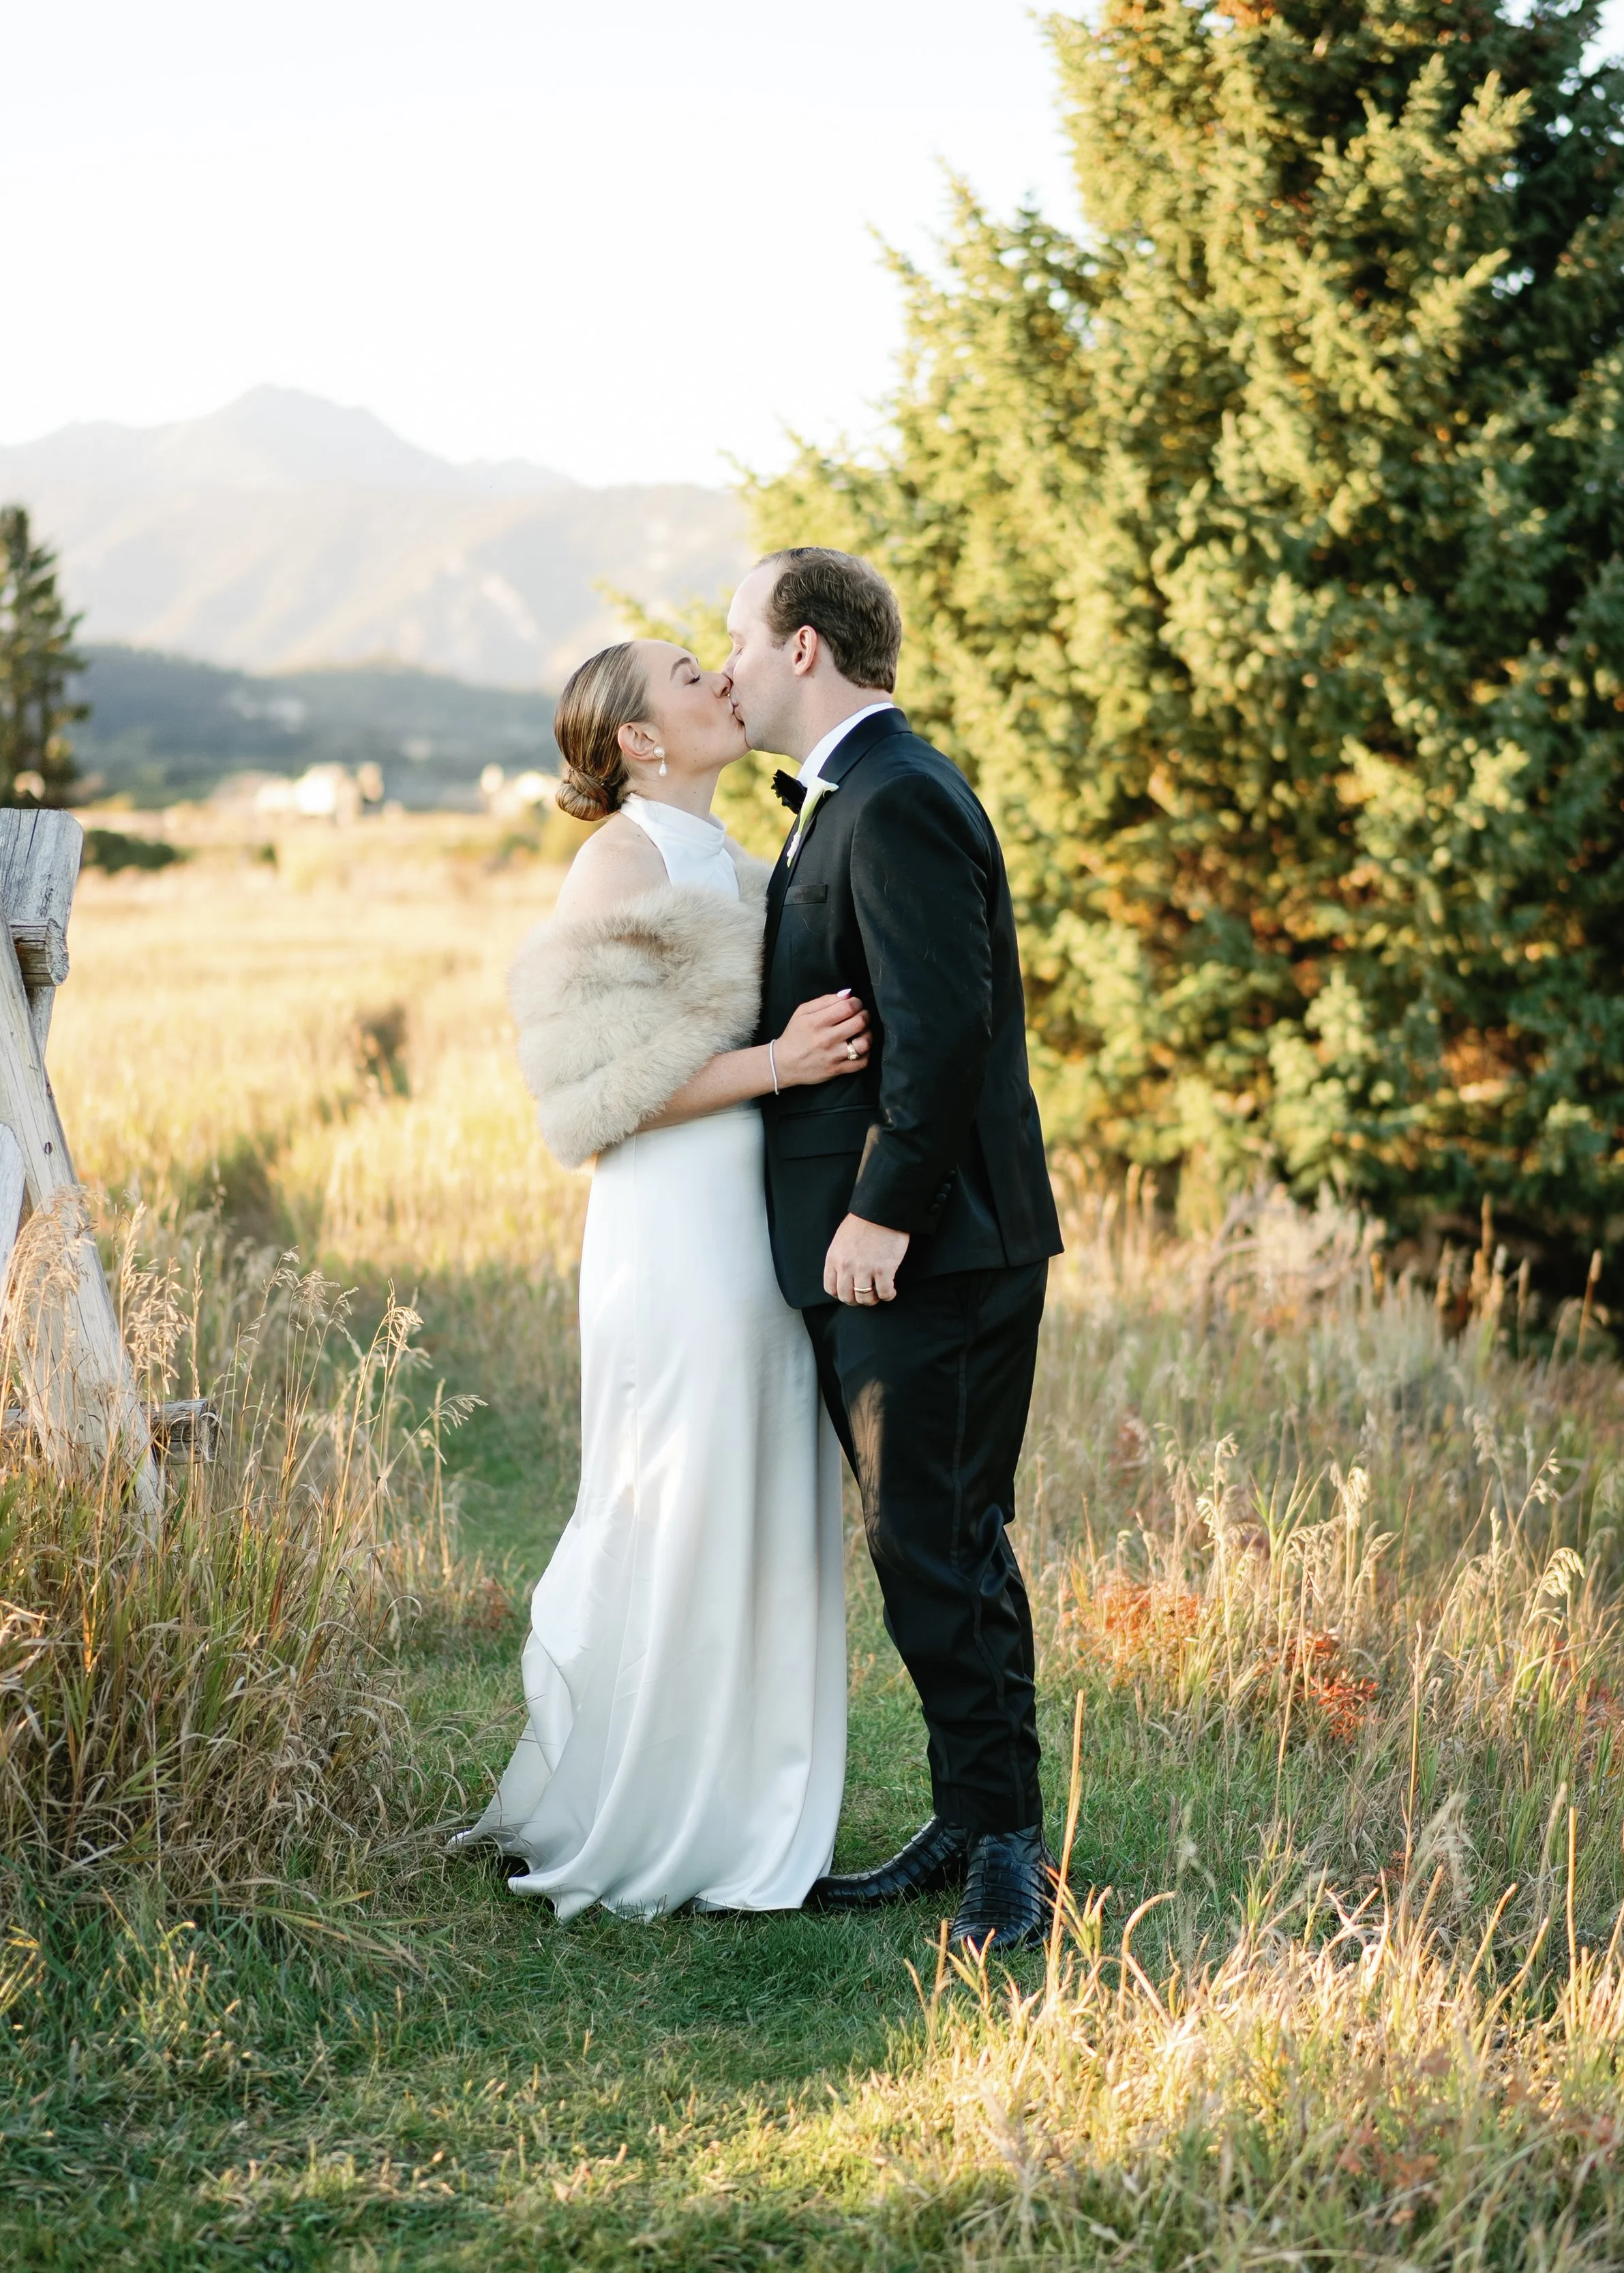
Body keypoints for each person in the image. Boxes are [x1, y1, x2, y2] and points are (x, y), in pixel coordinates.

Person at [458, 638, 864, 1918]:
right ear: (638, 737)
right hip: (674, 1224)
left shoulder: (740, 858)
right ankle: (650, 1805)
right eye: (690, 674)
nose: (721, 683)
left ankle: (750, 1797)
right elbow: (595, 1100)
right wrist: (782, 1067)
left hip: (751, 1210)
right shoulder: (617, 863)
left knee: (758, 1477)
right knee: (678, 1480)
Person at [723, 548, 1065, 1952]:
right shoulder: (842, 803)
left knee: (937, 1537)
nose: (726, 663)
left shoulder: (902, 796)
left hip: (932, 1247)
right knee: (927, 1539)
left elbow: (940, 1033)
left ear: (804, 647)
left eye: (737, 637)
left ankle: (1008, 1848)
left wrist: (880, 1212)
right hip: (887, 1250)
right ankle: (968, 1811)